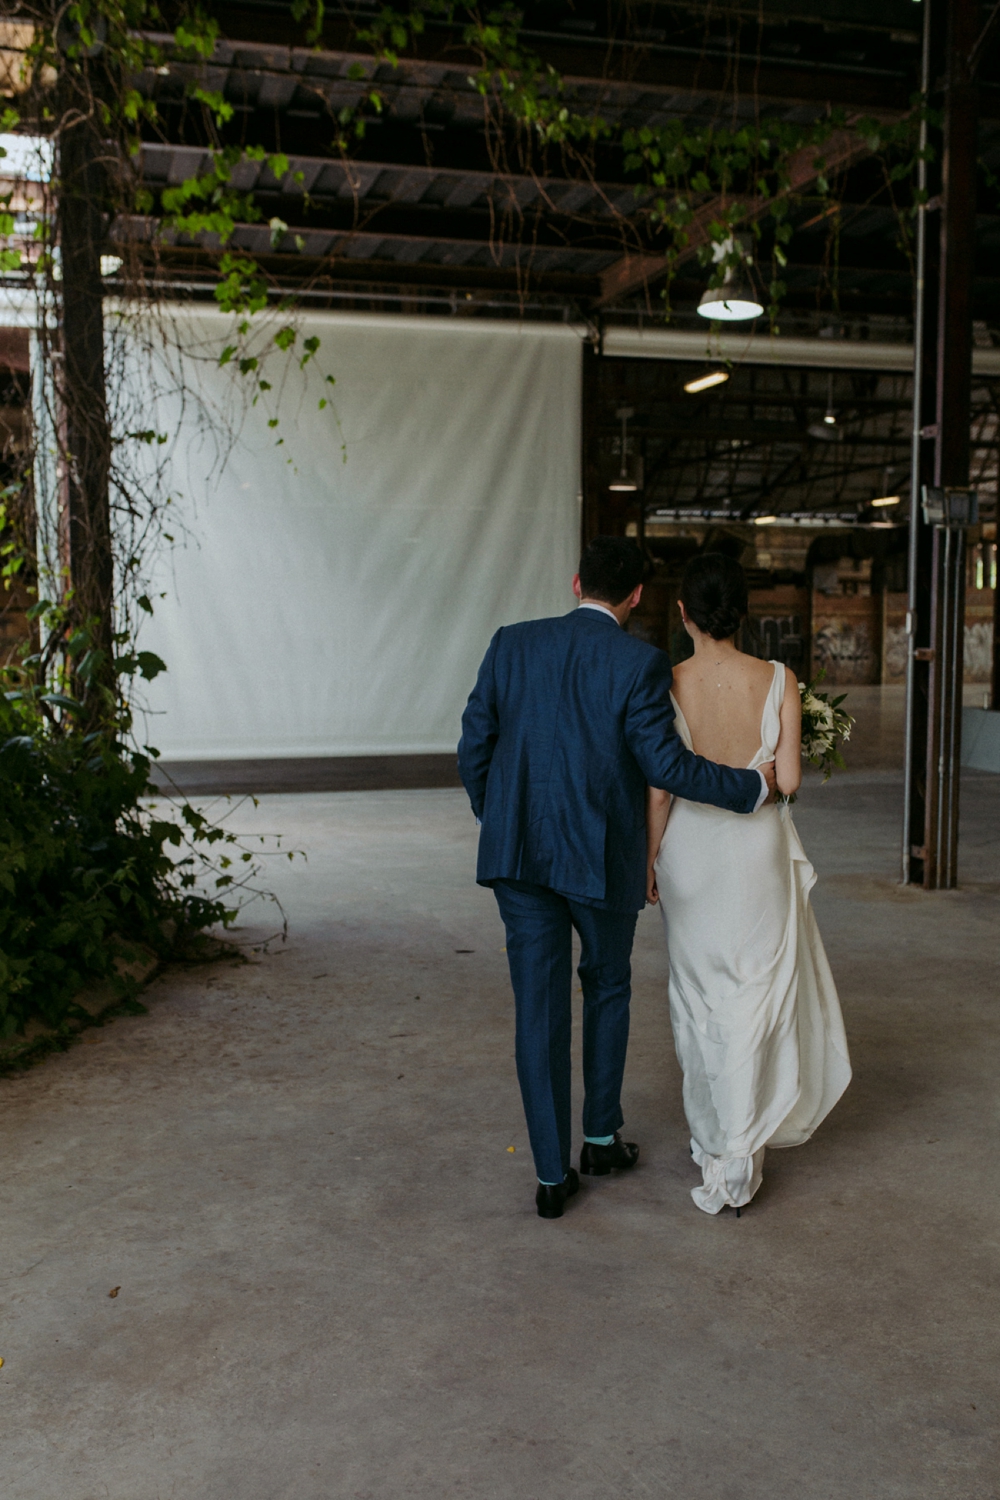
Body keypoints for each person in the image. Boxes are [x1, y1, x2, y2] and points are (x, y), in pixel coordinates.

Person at [458, 538, 776, 1220]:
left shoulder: (510, 643)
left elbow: (473, 743)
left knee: (538, 1009)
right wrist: (750, 787)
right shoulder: (640, 662)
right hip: (601, 859)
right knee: (605, 985)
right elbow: (667, 765)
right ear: (636, 597)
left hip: (519, 860)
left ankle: (550, 1175)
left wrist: (502, 816)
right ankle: (600, 1138)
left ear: (576, 582)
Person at [647, 553, 852, 1216]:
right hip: (754, 852)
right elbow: (786, 782)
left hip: (691, 855)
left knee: (698, 993)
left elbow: (658, 789)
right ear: (744, 612)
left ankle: (713, 1141)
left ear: (684, 614)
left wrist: (649, 858)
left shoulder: (669, 681)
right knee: (754, 995)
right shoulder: (779, 680)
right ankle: (740, 1148)